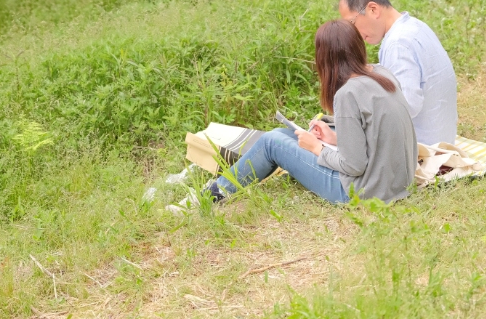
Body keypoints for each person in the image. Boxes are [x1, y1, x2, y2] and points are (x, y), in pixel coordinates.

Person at [172, 20, 417, 210]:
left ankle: (211, 196)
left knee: (271, 142)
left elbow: (354, 165)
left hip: (362, 193)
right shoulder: (382, 73)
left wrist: (317, 148)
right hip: (397, 183)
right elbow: (375, 135)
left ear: (325, 58)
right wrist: (333, 138)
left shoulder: (348, 93)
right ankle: (221, 186)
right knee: (282, 133)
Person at [338, 0, 458, 146]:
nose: (354, 33)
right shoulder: (415, 26)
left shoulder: (397, 44)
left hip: (423, 149)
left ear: (373, 9)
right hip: (443, 139)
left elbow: (406, 107)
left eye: (352, 23)